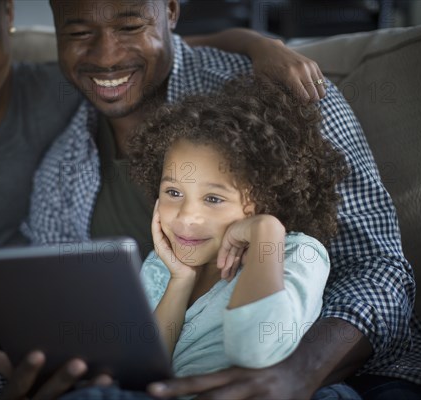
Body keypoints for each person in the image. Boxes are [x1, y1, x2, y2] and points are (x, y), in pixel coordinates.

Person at [0, 0, 328, 397]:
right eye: (172, 193)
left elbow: (142, 55)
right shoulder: (67, 113)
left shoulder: (269, 105)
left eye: (130, 26)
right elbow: (144, 357)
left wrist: (258, 44)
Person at [5, 0, 421, 399]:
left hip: (355, 377)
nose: (106, 55)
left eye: (129, 27)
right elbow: (71, 315)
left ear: (171, 10)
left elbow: (382, 269)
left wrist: (299, 372)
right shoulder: (62, 163)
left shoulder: (280, 94)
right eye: (79, 33)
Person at [128, 76, 361, 400]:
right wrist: (179, 282)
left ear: (265, 197)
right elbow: (144, 375)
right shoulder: (162, 265)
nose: (185, 216)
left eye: (213, 198)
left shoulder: (296, 252)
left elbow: (255, 350)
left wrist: (267, 229)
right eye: (173, 192)